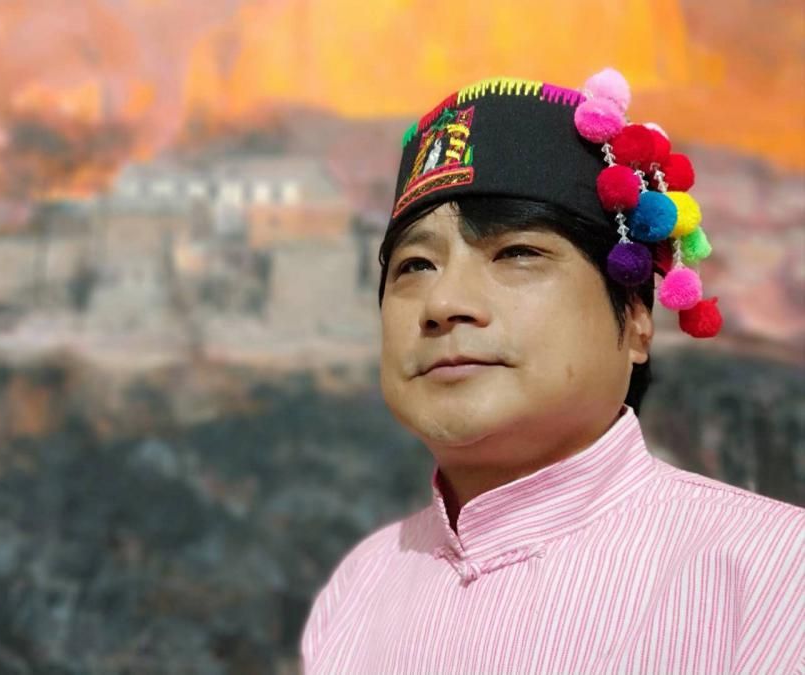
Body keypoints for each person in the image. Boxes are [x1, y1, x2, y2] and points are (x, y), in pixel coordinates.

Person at [299, 69, 804, 674]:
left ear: (636, 317)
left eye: (517, 253)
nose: (443, 303)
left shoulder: (773, 574)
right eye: (415, 266)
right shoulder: (357, 590)